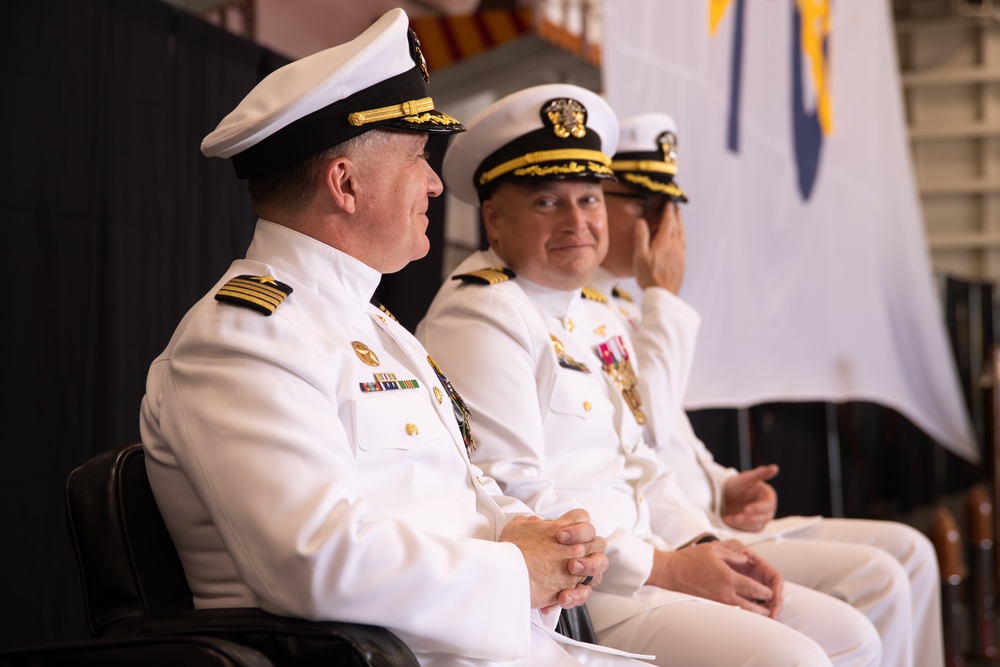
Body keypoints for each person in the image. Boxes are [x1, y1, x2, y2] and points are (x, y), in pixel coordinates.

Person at [139, 10, 654, 667]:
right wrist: (515, 567)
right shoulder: (242, 337)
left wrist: (529, 531)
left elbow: (458, 487)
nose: (437, 183)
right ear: (346, 184)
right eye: (417, 157)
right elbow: (319, 561)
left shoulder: (375, 325)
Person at [418, 82, 882, 666]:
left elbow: (644, 460)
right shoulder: (480, 310)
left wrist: (704, 543)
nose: (577, 221)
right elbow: (514, 494)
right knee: (796, 659)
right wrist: (667, 567)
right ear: (494, 218)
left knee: (852, 636)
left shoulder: (595, 312)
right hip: (587, 589)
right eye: (546, 202)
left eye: (589, 199)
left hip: (653, 559)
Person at [591, 111, 944, 667]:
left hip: (702, 518)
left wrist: (725, 484)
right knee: (879, 579)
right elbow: (647, 425)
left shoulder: (617, 309)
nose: (663, 226)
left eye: (668, 208)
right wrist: (664, 296)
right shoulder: (612, 310)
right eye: (644, 205)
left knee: (914, 552)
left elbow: (673, 439)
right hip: (665, 539)